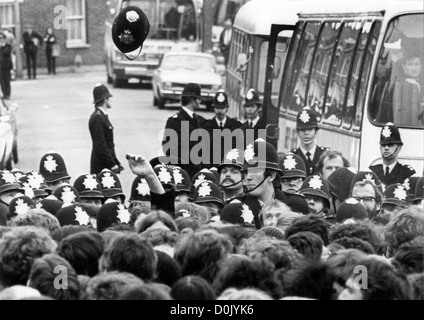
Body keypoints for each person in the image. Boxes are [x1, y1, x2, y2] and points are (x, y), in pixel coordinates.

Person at [162, 82, 206, 179]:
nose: (200, 101)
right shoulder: (175, 121)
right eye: (198, 98)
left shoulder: (199, 119)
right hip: (182, 173)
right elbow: (168, 148)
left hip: (198, 173)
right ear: (192, 100)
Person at [89, 83, 124, 175]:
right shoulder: (97, 118)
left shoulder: (102, 116)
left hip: (105, 166)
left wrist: (116, 162)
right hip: (101, 167)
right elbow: (100, 146)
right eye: (109, 97)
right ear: (105, 99)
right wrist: (112, 164)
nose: (111, 100)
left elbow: (109, 145)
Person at [202, 90, 242, 168]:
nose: (220, 111)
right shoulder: (206, 127)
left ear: (227, 109)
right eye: (217, 108)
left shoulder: (236, 126)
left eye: (222, 108)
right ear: (214, 108)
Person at [291, 107, 329, 177]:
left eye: (310, 129)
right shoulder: (292, 156)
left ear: (316, 131)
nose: (306, 133)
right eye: (302, 130)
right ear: (297, 132)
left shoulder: (325, 155)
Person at [0, 32, 13, 99]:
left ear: (5, 39)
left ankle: (8, 94)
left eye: (2, 38)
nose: (1, 40)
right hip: (0, 66)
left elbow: (5, 52)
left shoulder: (8, 46)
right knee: (2, 81)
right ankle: (4, 94)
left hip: (6, 66)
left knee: (7, 80)